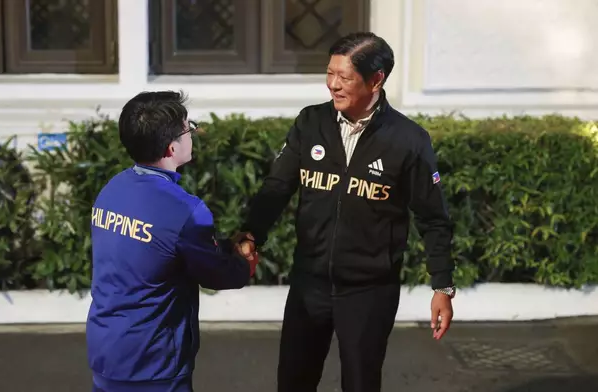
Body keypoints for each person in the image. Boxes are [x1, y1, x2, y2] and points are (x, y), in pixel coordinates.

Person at [235, 32, 456, 391]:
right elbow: (276, 189)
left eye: (345, 78)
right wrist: (249, 234)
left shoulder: (409, 140)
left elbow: (433, 218)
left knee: (360, 383)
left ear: (376, 80)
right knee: (293, 381)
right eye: (329, 74)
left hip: (369, 292)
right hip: (310, 285)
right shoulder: (311, 123)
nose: (333, 85)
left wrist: (442, 285)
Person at [86, 90, 259, 392]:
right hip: (154, 362)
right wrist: (244, 260)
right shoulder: (185, 209)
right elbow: (219, 273)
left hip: (107, 351)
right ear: (170, 148)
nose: (192, 134)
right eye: (187, 129)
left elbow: (161, 245)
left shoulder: (113, 189)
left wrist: (223, 246)